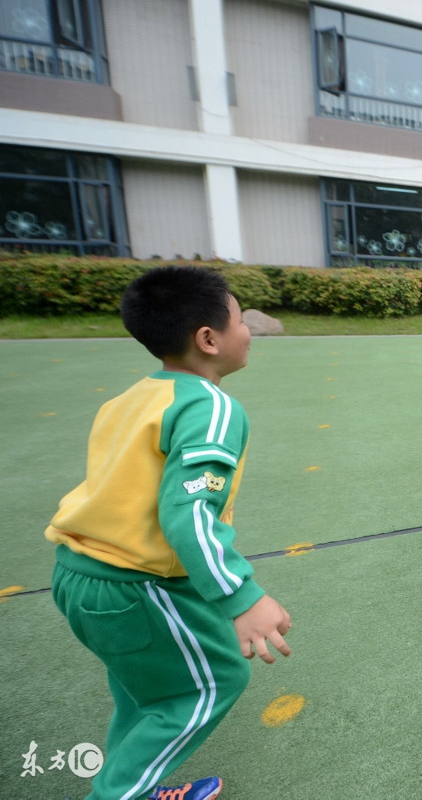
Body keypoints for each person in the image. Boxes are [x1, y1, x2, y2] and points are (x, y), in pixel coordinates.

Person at [45, 266, 292, 800]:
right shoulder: (211, 407)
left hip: (77, 574)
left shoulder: (130, 399)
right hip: (133, 585)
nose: (247, 329)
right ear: (208, 339)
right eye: (238, 319)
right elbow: (190, 513)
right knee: (213, 683)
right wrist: (241, 596)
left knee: (146, 695)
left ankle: (137, 785)